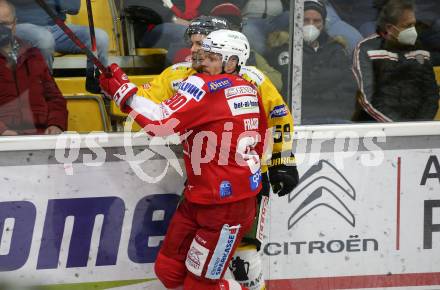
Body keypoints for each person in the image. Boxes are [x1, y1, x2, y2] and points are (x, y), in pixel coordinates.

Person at [134, 15, 299, 290]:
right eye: (194, 43)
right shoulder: (177, 74)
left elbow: (279, 116)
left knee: (243, 259)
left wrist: (283, 159)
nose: (196, 50)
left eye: (204, 44)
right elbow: (144, 103)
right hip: (203, 183)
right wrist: (113, 90)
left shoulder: (252, 78)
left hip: (247, 182)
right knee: (190, 265)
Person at [100, 29, 266, 290]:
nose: (203, 62)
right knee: (169, 269)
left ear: (232, 62)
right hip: (202, 197)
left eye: (212, 57)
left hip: (227, 206)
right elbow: (261, 134)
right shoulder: (250, 88)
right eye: (204, 55)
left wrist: (123, 92)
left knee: (199, 284)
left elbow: (160, 123)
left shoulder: (208, 87)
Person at [352, 0, 439, 122]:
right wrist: (398, 126)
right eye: (407, 26)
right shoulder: (367, 49)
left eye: (414, 25)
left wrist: (420, 124)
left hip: (417, 126)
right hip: (378, 125)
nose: (413, 31)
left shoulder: (420, 50)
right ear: (390, 28)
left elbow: (431, 95)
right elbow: (366, 98)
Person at [0, 0, 67, 136]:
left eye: (5, 24)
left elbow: (55, 98)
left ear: (14, 24)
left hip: (39, 138)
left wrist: (56, 124)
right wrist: (2, 131)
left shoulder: (34, 55)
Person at [12, 0, 109, 93]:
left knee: (100, 38)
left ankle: (95, 82)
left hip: (56, 27)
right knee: (44, 40)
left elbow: (73, 8)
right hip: (20, 26)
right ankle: (43, 91)